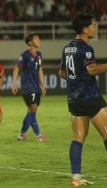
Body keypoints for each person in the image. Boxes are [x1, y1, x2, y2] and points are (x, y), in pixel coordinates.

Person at [59, 14, 107, 186]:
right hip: (90, 97)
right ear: (85, 29)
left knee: (78, 138)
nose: (96, 27)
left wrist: (76, 82)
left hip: (74, 99)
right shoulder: (86, 48)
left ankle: (76, 178)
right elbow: (92, 70)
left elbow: (62, 73)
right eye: (93, 25)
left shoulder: (67, 48)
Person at [11, 32, 46, 142]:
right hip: (28, 87)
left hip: (36, 87)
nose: (39, 40)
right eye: (36, 38)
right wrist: (14, 82)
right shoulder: (25, 55)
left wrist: (43, 84)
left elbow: (40, 69)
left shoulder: (39, 55)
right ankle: (39, 135)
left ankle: (21, 135)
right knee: (33, 110)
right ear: (30, 42)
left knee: (31, 112)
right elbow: (17, 68)